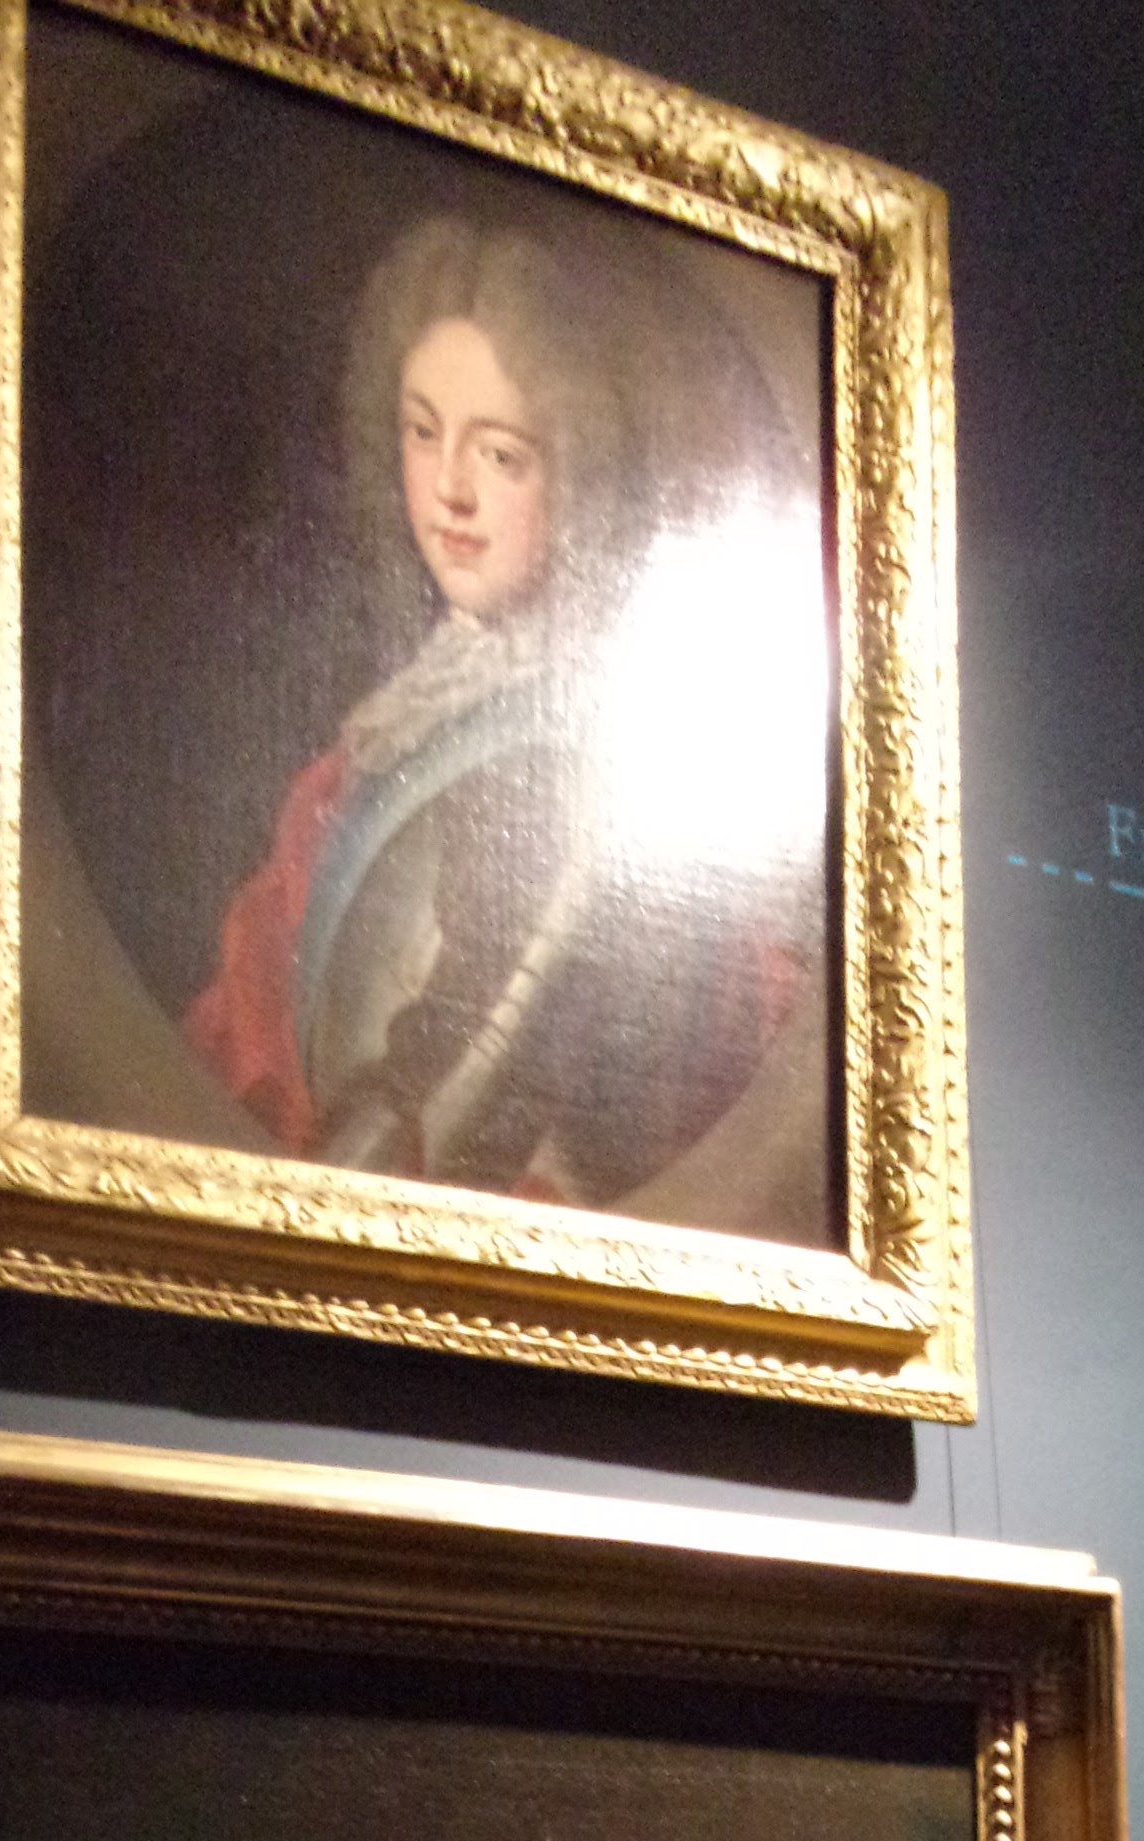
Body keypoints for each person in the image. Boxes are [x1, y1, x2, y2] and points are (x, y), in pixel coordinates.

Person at [181, 218, 819, 1210]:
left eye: (501, 456)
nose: (450, 491)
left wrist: (371, 1137)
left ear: (577, 471)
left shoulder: (586, 759)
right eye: (422, 432)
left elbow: (483, 1055)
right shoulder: (415, 713)